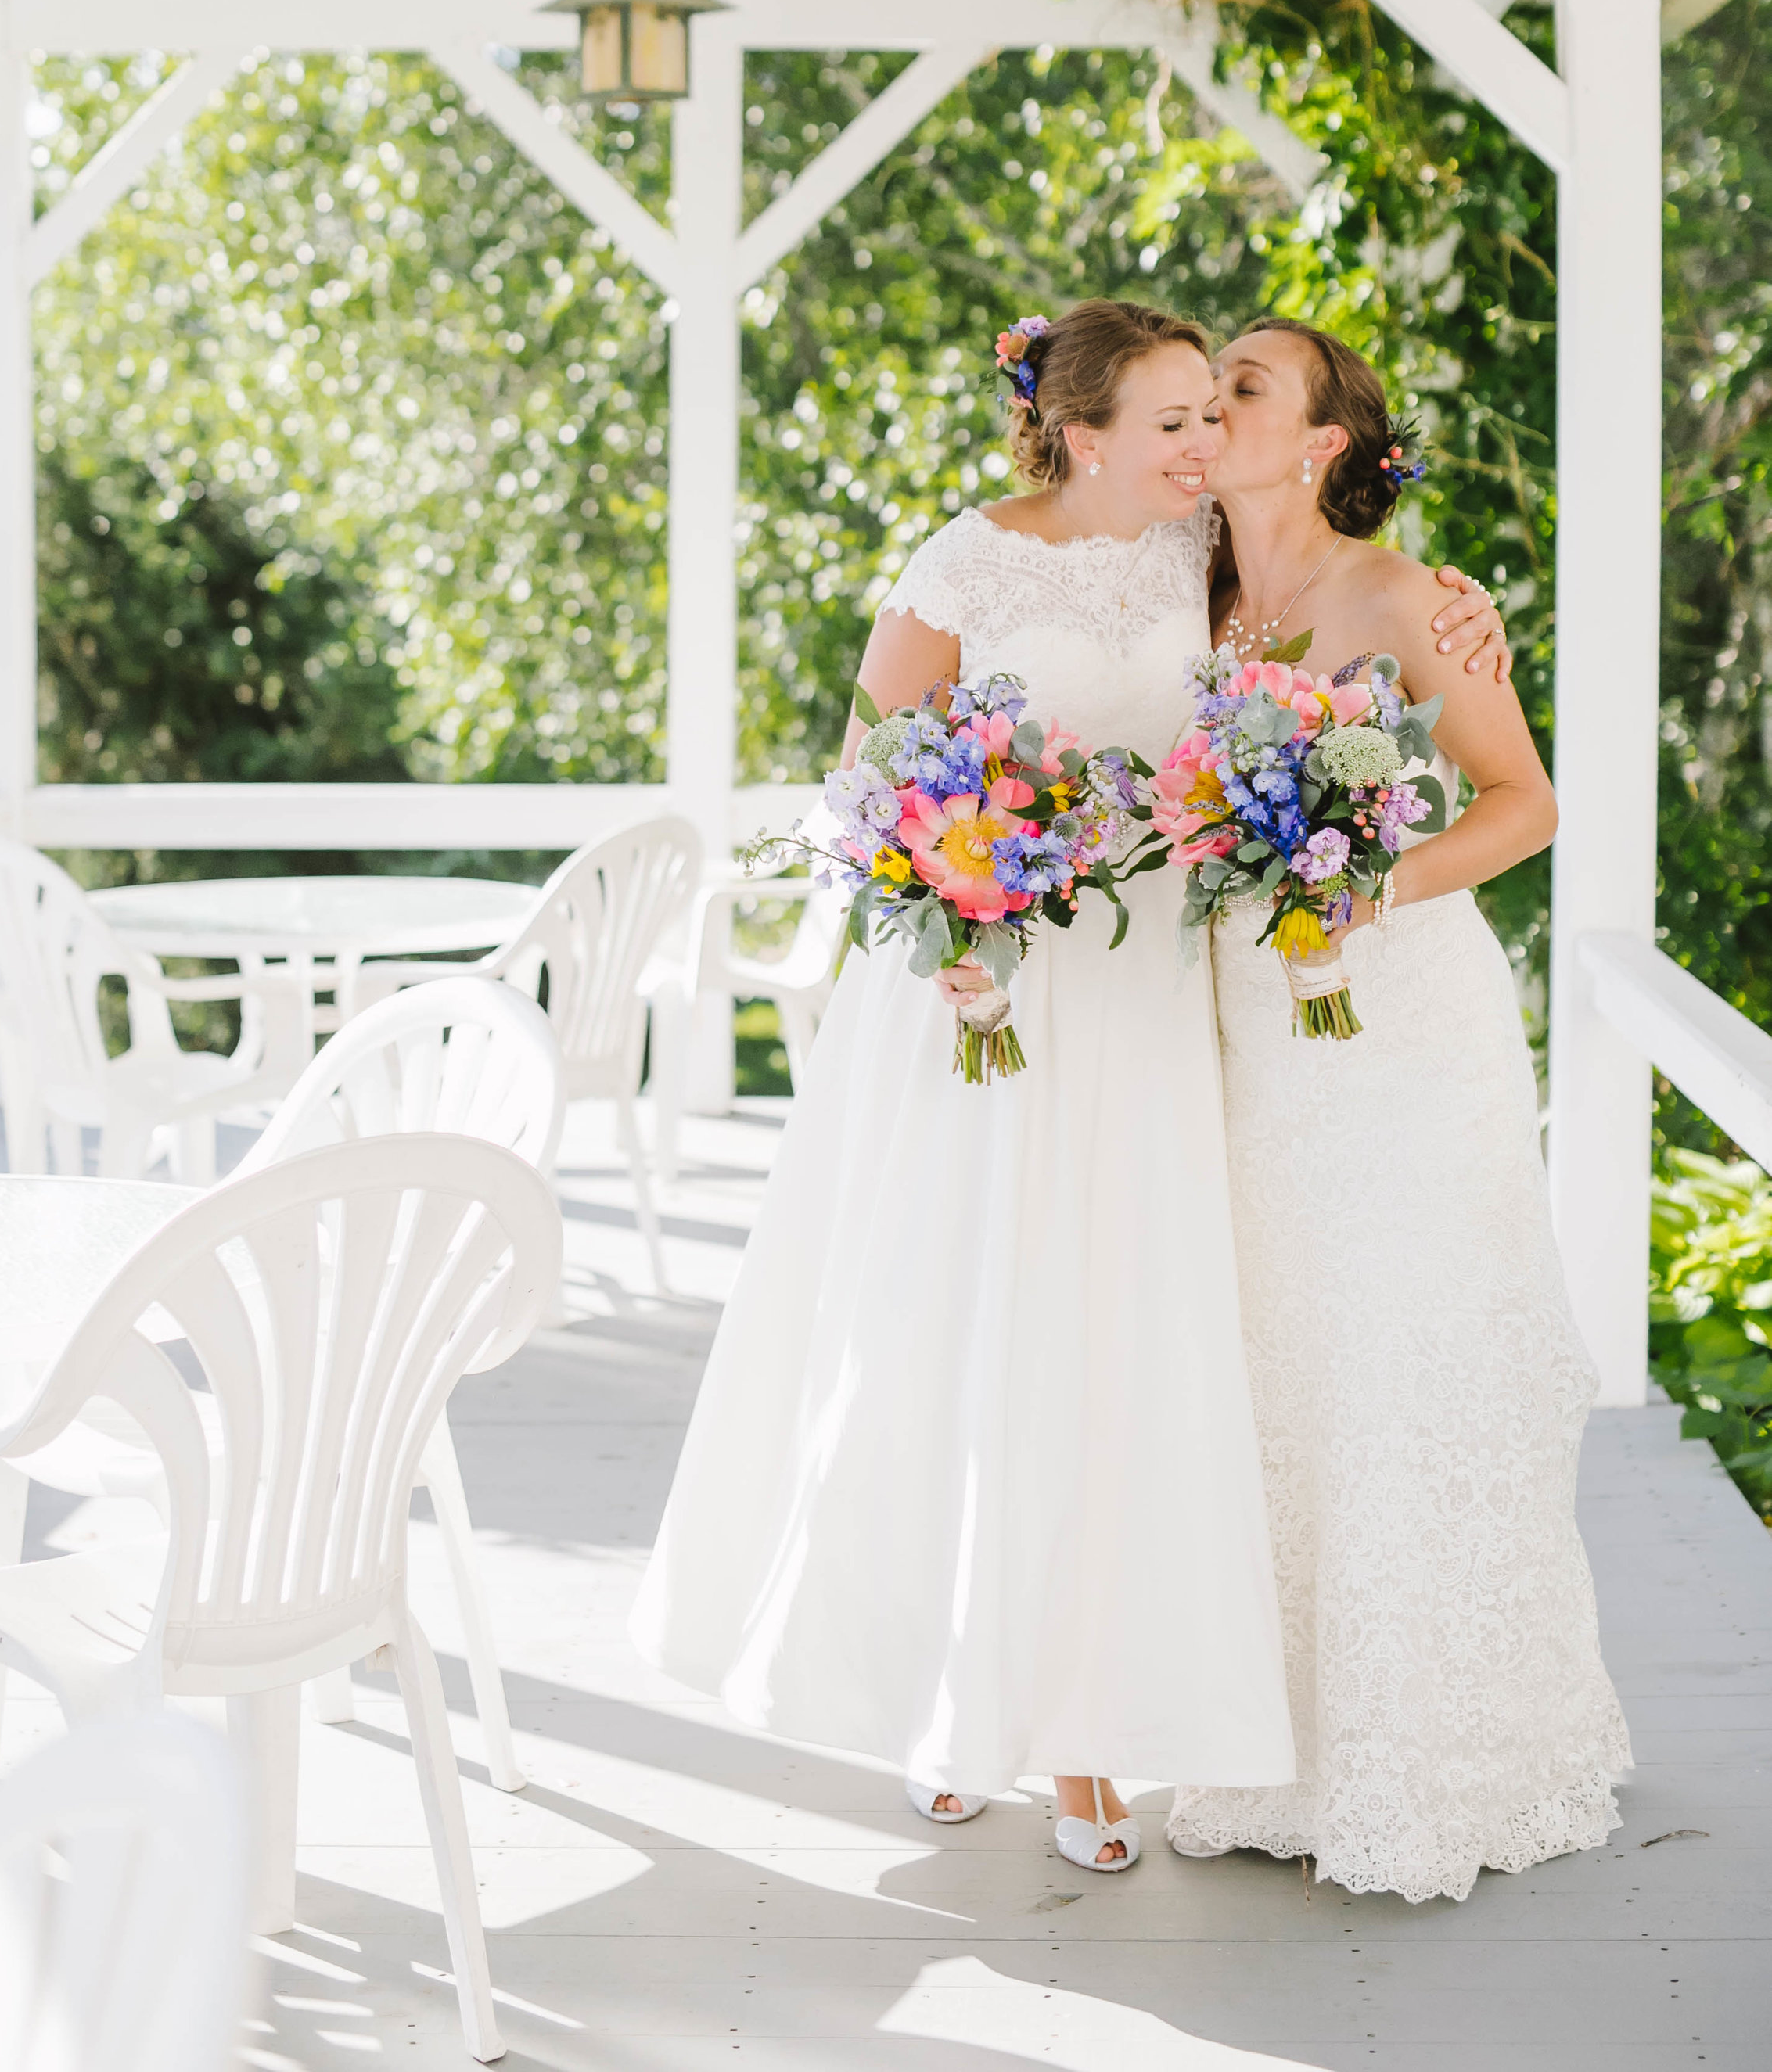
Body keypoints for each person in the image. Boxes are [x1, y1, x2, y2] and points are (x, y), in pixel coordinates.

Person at [631, 302, 1501, 1873]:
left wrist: (1462, 611)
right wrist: (936, 918)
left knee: (1124, 1341)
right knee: (967, 1324)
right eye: (1167, 423)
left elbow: (1339, 603)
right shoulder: (959, 562)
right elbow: (868, 772)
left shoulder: (1193, 561)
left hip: (1144, 998)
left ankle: (1094, 1738)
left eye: (1204, 418)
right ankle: (947, 1701)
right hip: (984, 984)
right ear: (1079, 433)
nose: (1193, 448)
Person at [1168, 320, 1630, 1903]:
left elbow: (1524, 806)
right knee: (1274, 1368)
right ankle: (1266, 1746)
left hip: (1401, 1031)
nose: (1208, 403)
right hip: (1238, 1031)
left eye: (1241, 387)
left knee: (1404, 1363)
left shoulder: (1411, 598)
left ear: (1315, 441)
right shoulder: (1173, 595)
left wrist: (1357, 889)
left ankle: (1436, 1755)